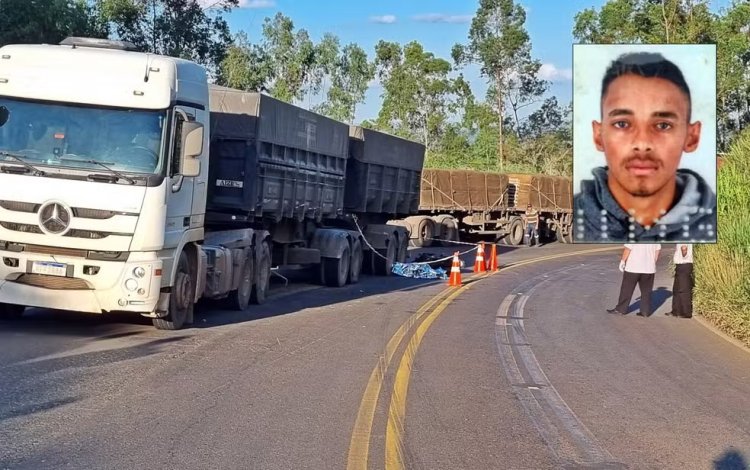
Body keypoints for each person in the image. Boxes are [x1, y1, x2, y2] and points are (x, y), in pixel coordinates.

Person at [573, 51, 716, 242]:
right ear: (598, 136)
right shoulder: (578, 219)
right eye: (622, 124)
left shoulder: (715, 222)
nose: (642, 144)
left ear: (692, 137)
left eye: (663, 125)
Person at [607, 243, 661, 317]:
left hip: (633, 267)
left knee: (626, 289)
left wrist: (623, 261)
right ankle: (645, 311)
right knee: (646, 291)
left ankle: (621, 309)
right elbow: (657, 251)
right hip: (649, 269)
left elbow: (628, 249)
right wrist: (652, 263)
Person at [667, 243, 694, 318]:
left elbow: (684, 247)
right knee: (676, 289)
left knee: (684, 290)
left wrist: (683, 254)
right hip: (680, 266)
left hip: (684, 264)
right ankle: (676, 311)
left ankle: (686, 313)